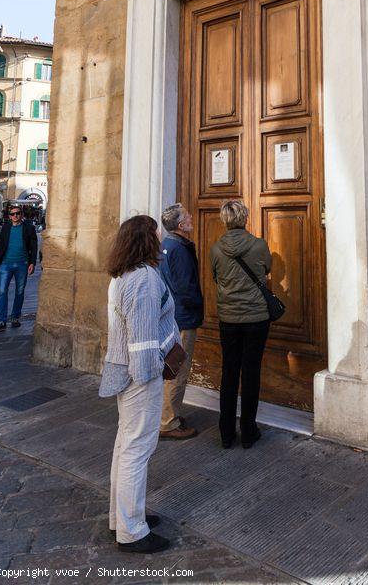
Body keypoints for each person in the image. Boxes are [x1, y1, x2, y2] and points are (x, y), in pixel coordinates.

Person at [99, 215, 180, 554]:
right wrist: (151, 376)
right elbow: (143, 337)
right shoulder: (145, 278)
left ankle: (122, 517)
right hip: (140, 374)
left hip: (123, 370)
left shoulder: (122, 276)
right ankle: (132, 531)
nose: (160, 240)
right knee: (136, 450)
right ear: (146, 241)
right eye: (156, 235)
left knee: (125, 446)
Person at [210, 199, 272, 449]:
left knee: (229, 372)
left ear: (224, 220)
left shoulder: (216, 249)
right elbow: (267, 268)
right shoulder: (259, 245)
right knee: (251, 372)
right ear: (244, 218)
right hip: (256, 318)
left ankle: (226, 433)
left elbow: (215, 277)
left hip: (229, 318)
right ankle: (248, 430)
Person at [158, 203, 204, 441]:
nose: (191, 218)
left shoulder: (166, 246)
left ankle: (168, 414)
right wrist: (199, 306)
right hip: (184, 318)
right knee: (178, 370)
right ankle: (168, 422)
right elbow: (187, 288)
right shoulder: (179, 249)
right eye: (187, 216)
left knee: (171, 369)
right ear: (180, 225)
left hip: (173, 316)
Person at [0, 205, 37, 331]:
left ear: (21, 214)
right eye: (12, 214)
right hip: (6, 264)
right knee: (1, 292)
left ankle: (15, 317)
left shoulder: (29, 228)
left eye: (17, 213)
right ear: (9, 216)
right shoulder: (6, 228)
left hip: (22, 264)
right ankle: (1, 320)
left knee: (19, 291)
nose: (15, 216)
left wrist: (32, 262)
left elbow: (34, 246)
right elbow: (1, 245)